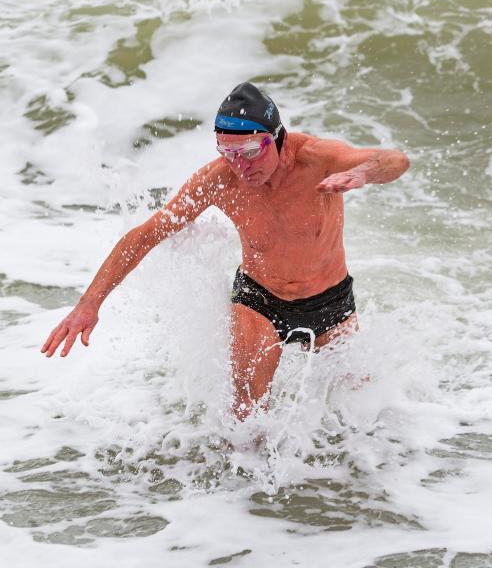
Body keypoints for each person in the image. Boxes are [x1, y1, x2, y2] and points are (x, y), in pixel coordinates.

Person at [41, 82, 410, 419]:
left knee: (360, 410)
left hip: (330, 300)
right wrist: (89, 303)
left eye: (251, 151)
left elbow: (394, 159)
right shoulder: (219, 180)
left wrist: (363, 174)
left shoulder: (316, 158)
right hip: (261, 301)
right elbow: (146, 234)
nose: (241, 165)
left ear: (277, 138)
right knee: (246, 416)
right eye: (228, 152)